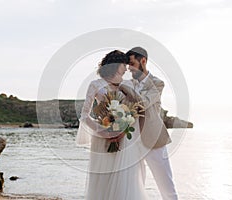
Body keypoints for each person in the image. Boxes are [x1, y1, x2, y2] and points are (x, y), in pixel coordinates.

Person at [76, 50, 149, 200]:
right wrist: (104, 131)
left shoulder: (127, 84)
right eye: (124, 64)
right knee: (103, 179)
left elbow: (137, 107)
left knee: (125, 177)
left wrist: (122, 129)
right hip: (103, 138)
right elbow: (84, 115)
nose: (126, 68)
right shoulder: (95, 85)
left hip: (125, 138)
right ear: (115, 64)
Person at [119, 47, 178, 200]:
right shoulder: (128, 83)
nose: (129, 69)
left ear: (143, 61)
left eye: (132, 64)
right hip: (132, 142)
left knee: (167, 188)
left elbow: (143, 103)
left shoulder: (157, 84)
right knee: (135, 187)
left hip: (153, 140)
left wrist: (124, 86)